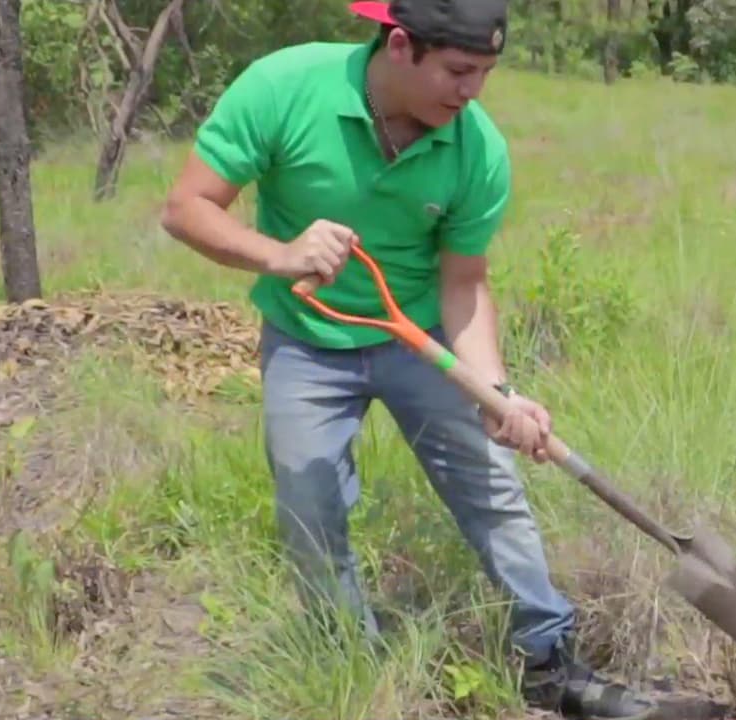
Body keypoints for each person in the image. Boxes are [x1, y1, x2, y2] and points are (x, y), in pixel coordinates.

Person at [156, 1, 658, 718]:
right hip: (308, 337)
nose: (472, 91)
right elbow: (186, 208)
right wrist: (280, 255)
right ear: (400, 46)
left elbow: (464, 283)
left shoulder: (476, 150)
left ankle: (547, 657)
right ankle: (347, 662)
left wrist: (496, 392)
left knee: (494, 488)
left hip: (418, 338)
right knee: (310, 499)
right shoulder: (285, 86)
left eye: (485, 73)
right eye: (457, 71)